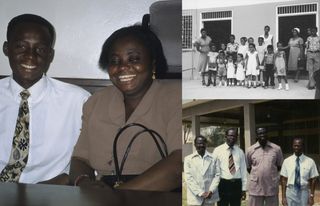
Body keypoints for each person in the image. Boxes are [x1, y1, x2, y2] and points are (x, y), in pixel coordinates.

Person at [69, 25, 181, 191]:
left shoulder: (177, 96)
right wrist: (85, 183)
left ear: (153, 63)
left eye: (134, 59)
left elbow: (179, 165)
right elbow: (80, 159)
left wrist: (118, 196)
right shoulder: (96, 101)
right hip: (103, 195)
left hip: (157, 194)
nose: (122, 67)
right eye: (114, 61)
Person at [0, 14, 90, 184]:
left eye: (40, 49)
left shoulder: (78, 101)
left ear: (50, 55)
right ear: (6, 49)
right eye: (21, 47)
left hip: (51, 193)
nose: (31, 56)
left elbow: (89, 158)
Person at [246, 127, 284, 206]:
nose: (262, 135)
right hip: (256, 187)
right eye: (260, 133)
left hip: (271, 186)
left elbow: (279, 166)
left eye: (264, 133)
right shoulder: (250, 150)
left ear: (267, 134)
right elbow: (248, 167)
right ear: (257, 136)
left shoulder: (276, 149)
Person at [213, 128, 247, 206]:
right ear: (226, 136)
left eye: (235, 136)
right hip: (223, 184)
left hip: (236, 184)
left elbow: (243, 171)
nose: (232, 137)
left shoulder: (240, 152)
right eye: (230, 135)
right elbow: (213, 170)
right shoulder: (217, 150)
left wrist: (244, 188)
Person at [280, 138, 319, 206]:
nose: (296, 147)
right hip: (290, 192)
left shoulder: (310, 161)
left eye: (299, 145)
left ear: (302, 146)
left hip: (304, 192)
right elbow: (283, 180)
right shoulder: (286, 161)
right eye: (295, 145)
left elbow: (314, 179)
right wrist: (283, 197)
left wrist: (312, 196)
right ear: (292, 146)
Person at [184, 135, 220, 206]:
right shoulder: (188, 159)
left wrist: (211, 191)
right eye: (198, 143)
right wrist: (200, 193)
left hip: (209, 197)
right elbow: (188, 178)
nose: (201, 145)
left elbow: (217, 175)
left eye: (203, 143)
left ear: (206, 144)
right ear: (194, 145)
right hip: (195, 198)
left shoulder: (214, 158)